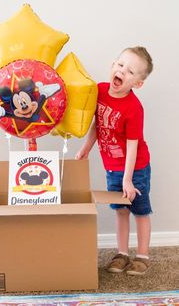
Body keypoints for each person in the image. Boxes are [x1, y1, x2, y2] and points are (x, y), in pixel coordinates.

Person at [76, 46, 153, 276]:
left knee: (139, 210)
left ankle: (142, 255)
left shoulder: (134, 108)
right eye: (120, 65)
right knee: (120, 210)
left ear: (137, 84)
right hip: (113, 168)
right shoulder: (99, 92)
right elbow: (98, 125)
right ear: (112, 66)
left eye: (130, 71)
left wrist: (128, 180)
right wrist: (85, 149)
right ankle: (122, 253)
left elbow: (133, 146)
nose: (122, 71)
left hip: (135, 167)